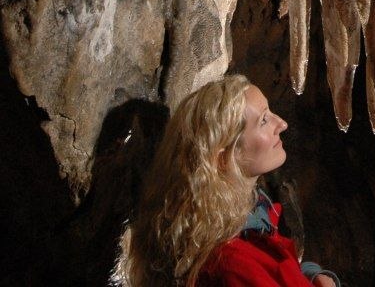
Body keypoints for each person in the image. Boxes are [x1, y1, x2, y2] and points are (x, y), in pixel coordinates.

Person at [122, 75, 339, 286]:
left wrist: (308, 274)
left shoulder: (244, 218)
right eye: (263, 120)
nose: (281, 123)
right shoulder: (233, 265)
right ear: (225, 158)